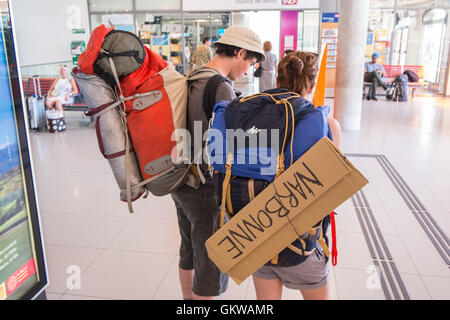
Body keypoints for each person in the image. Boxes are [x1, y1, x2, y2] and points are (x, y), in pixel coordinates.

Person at [211, 51, 340, 300]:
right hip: (300, 244)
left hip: (252, 233)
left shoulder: (243, 112)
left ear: (277, 81)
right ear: (312, 84)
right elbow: (331, 187)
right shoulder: (325, 124)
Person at [170, 25, 264, 300]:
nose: (248, 70)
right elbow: (236, 145)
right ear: (240, 52)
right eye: (250, 62)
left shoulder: (191, 76)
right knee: (210, 265)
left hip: (180, 181)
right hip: (206, 189)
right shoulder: (221, 86)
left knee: (188, 254)